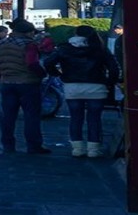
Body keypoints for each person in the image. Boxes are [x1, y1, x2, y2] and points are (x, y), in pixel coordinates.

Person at [43, 26, 120, 158]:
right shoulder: (99, 48)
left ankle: (77, 149)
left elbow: (48, 62)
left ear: (75, 34)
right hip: (97, 87)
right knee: (94, 119)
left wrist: (60, 74)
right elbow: (113, 67)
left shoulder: (64, 48)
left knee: (76, 118)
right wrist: (109, 82)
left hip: (72, 87)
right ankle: (93, 149)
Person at [0, 18, 51, 154]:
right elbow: (31, 63)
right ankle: (33, 145)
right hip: (28, 83)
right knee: (31, 115)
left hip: (7, 83)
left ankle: (8, 145)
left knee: (8, 116)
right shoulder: (29, 45)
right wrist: (42, 74)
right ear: (28, 32)